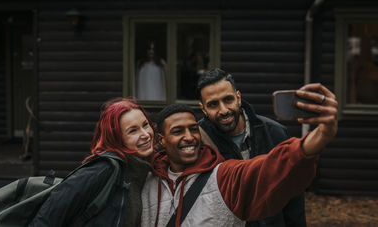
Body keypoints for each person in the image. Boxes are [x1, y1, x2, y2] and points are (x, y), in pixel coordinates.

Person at [141, 85, 337, 227]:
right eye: (177, 132)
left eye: (193, 129)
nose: (189, 137)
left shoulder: (223, 177)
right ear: (162, 140)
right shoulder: (146, 181)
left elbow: (269, 168)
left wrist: (320, 136)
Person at [197, 68, 309, 227]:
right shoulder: (199, 140)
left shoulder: (275, 133)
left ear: (238, 98)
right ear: (204, 109)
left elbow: (293, 195)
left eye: (228, 100)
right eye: (213, 104)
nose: (223, 110)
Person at [29, 99, 155, 227]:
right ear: (116, 138)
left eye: (145, 125)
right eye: (133, 131)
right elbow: (49, 215)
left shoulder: (139, 170)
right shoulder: (103, 169)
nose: (145, 134)